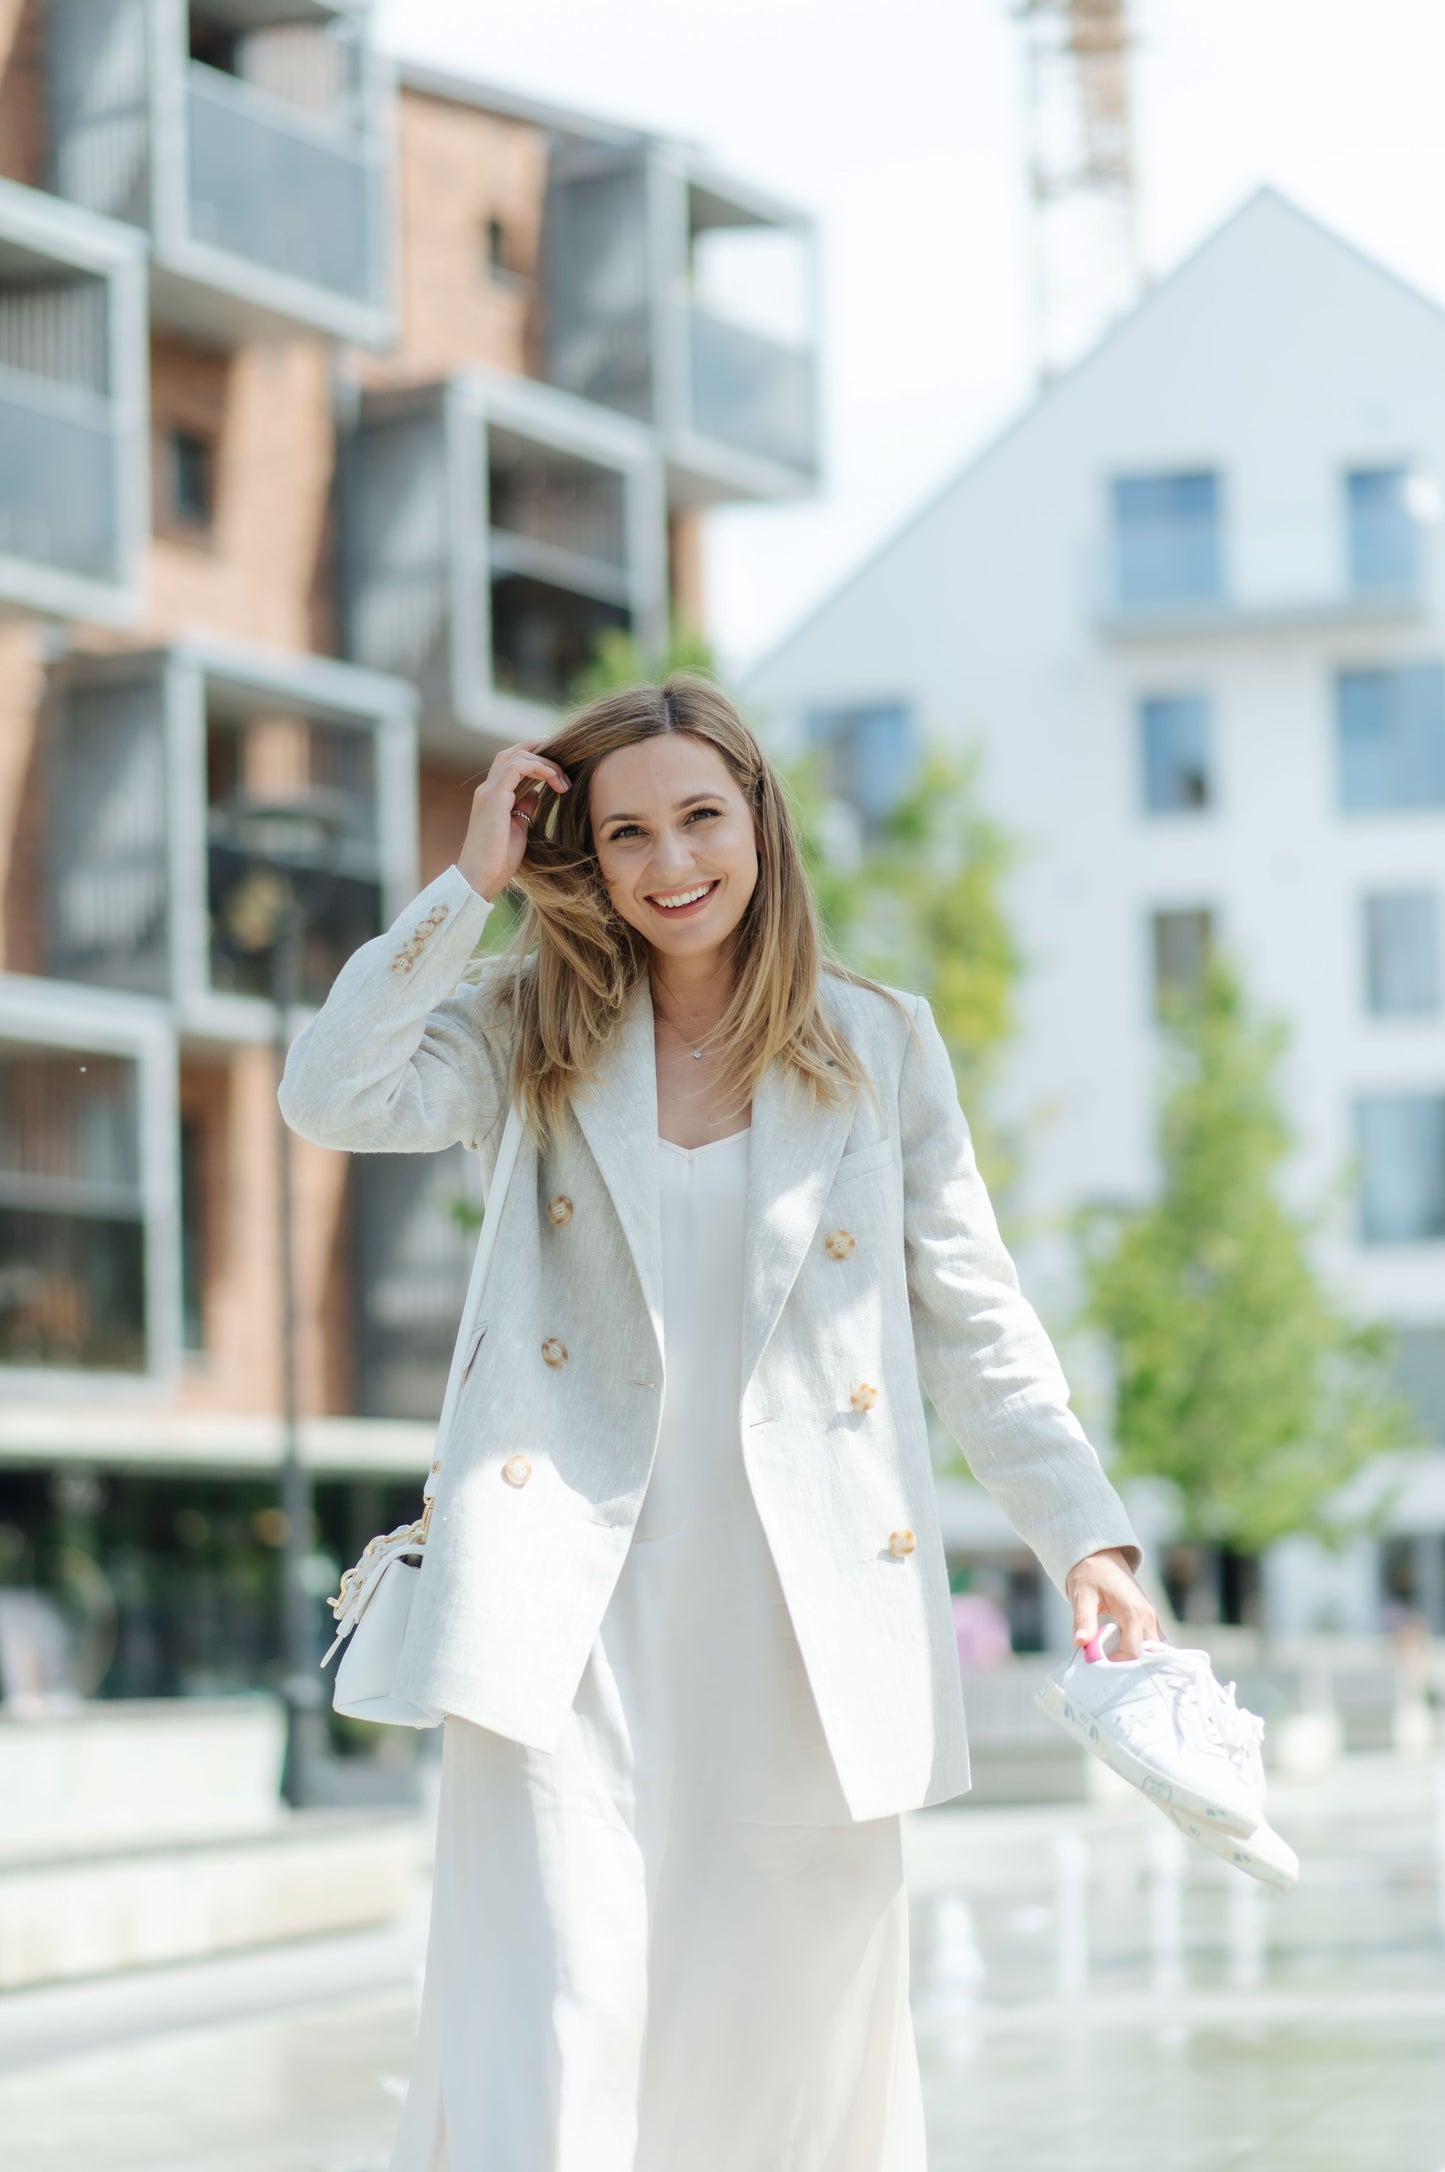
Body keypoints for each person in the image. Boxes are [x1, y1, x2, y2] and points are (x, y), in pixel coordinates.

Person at [278, 675, 1157, 2172]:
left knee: (779, 2054)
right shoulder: (527, 1021)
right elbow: (329, 1091)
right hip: (563, 1609)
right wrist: (470, 879)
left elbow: (975, 1323)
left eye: (699, 817)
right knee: (554, 2012)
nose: (670, 865)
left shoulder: (875, 1045)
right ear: (589, 858)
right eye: (625, 834)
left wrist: (1086, 1536)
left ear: (759, 819)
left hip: (799, 1614)